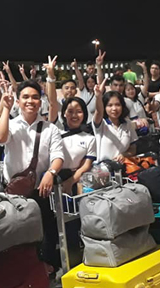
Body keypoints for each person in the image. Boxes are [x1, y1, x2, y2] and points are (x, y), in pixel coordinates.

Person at [0, 79, 64, 272]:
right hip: (13, 192)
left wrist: (50, 173)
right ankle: (21, 273)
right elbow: (0, 138)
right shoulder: (12, 124)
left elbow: (58, 156)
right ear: (18, 101)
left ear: (40, 102)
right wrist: (6, 109)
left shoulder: (50, 128)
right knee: (16, 234)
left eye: (34, 97)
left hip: (39, 191)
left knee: (44, 233)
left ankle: (44, 271)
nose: (30, 101)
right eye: (25, 97)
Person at [45, 56, 96, 195]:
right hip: (54, 180)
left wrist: (70, 181)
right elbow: (52, 103)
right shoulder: (56, 130)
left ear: (84, 114)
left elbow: (86, 166)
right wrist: (51, 77)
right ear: (64, 114)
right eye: (70, 112)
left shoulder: (90, 138)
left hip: (77, 182)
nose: (74, 115)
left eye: (79, 112)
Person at [93, 82, 138, 163]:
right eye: (109, 105)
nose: (114, 108)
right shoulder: (101, 124)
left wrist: (124, 155)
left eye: (117, 105)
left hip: (124, 170)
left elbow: (133, 149)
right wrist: (98, 97)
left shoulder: (127, 123)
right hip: (104, 171)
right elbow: (99, 112)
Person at [124, 62, 151, 132]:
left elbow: (146, 85)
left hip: (146, 128)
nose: (131, 91)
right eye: (128, 90)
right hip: (133, 131)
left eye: (132, 89)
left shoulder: (139, 99)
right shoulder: (124, 103)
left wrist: (144, 70)